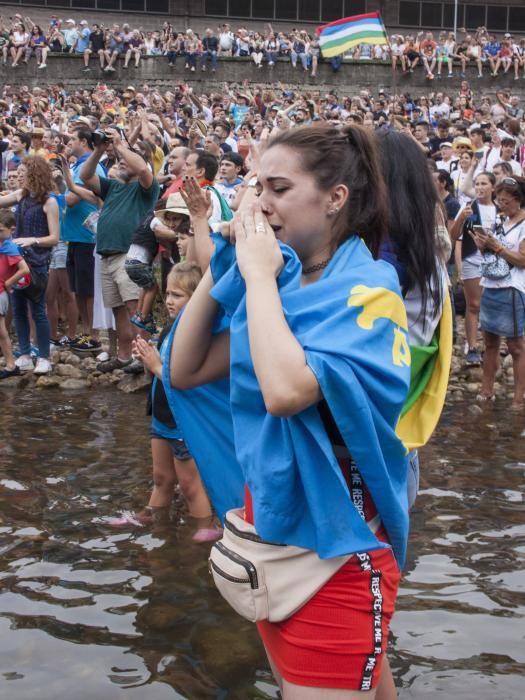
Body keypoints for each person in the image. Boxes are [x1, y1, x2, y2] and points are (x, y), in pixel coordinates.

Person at [169, 125, 413, 697]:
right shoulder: (282, 289)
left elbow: (284, 391)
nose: (263, 204)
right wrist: (226, 261)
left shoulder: (370, 290)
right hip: (273, 530)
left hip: (337, 549)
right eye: (257, 188)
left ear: (335, 198)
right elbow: (187, 368)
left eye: (278, 188)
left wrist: (256, 276)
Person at [119, 261, 223, 541]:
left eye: (178, 295)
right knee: (161, 478)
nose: (168, 301)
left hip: (184, 421)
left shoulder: (199, 336)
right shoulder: (169, 331)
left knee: (190, 485)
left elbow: (186, 382)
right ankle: (151, 513)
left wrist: (156, 365)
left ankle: (205, 525)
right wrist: (146, 361)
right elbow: (160, 374)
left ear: (197, 299)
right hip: (162, 418)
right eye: (167, 294)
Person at [80, 128, 160, 373]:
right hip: (106, 256)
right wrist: (98, 150)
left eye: (125, 162)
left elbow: (144, 170)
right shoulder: (113, 187)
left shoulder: (146, 188)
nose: (121, 163)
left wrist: (121, 146)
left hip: (128, 255)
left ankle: (143, 357)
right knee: (118, 311)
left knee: (135, 309)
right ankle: (125, 356)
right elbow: (85, 176)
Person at [0, 155, 59, 375]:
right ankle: (24, 354)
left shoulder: (49, 202)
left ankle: (43, 357)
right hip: (17, 261)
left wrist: (33, 240)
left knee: (38, 310)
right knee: (18, 310)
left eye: (24, 173)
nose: (20, 176)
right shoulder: (22, 196)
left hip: (38, 262)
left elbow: (54, 237)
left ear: (35, 175)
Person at [474, 177, 525, 409]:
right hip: (491, 286)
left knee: (516, 346)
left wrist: (498, 247)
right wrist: (483, 244)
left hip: (512, 289)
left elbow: (522, 260)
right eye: (499, 200)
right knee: (490, 343)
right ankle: (486, 390)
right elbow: (492, 253)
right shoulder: (499, 222)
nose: (501, 204)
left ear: (518, 201)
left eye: (505, 201)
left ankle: (518, 398)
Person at [61, 128, 105, 352]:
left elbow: (70, 199)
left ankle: (93, 335)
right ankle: (87, 332)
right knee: (78, 287)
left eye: (73, 140)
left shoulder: (91, 165)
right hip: (76, 236)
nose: (69, 143)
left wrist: (49, 196)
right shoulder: (79, 164)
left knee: (87, 289)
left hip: (87, 237)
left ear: (84, 142)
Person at [450, 172, 497, 366]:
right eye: (477, 184)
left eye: (484, 183)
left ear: (493, 187)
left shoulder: (500, 209)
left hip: (495, 262)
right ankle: (471, 346)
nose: (479, 187)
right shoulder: (469, 207)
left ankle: (490, 345)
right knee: (474, 304)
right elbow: (454, 236)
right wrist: (462, 217)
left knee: (491, 304)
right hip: (472, 260)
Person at [0, 209, 30, 379]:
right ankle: (10, 363)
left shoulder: (9, 245)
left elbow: (24, 269)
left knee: (1, 331)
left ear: (11, 229)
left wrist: (9, 282)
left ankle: (11, 364)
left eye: (0, 230)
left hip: (1, 292)